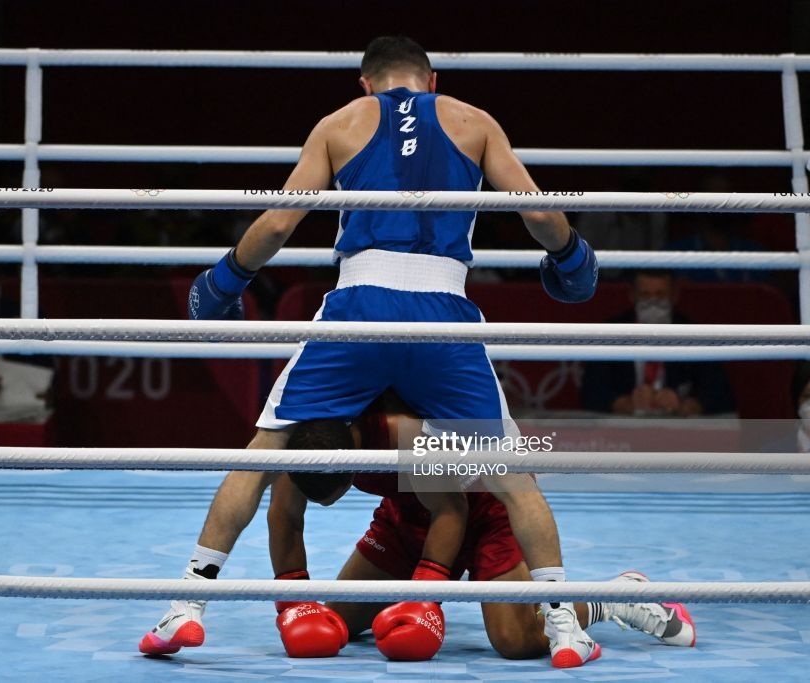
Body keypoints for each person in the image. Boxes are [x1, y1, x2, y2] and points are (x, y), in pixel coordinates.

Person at [142, 35, 600, 667]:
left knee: (263, 453)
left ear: (365, 84)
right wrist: (571, 256)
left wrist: (224, 282)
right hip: (443, 313)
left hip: (358, 307)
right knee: (510, 472)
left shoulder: (340, 123)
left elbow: (278, 223)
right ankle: (564, 626)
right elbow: (541, 216)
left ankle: (186, 605)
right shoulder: (474, 122)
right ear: (431, 80)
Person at [267, 416, 696, 662]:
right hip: (410, 514)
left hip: (481, 504)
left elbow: (452, 511)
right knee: (333, 622)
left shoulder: (403, 430)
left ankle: (614, 598)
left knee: (515, 640)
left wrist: (424, 598)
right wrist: (292, 606)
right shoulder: (304, 436)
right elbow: (284, 516)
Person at [580, 270, 735, 415]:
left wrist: (685, 405)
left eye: (660, 295)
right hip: (622, 432)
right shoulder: (610, 334)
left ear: (674, 295)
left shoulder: (695, 336)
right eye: (645, 295)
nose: (653, 303)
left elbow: (719, 392)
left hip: (678, 431)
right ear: (632, 295)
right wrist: (625, 403)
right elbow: (591, 391)